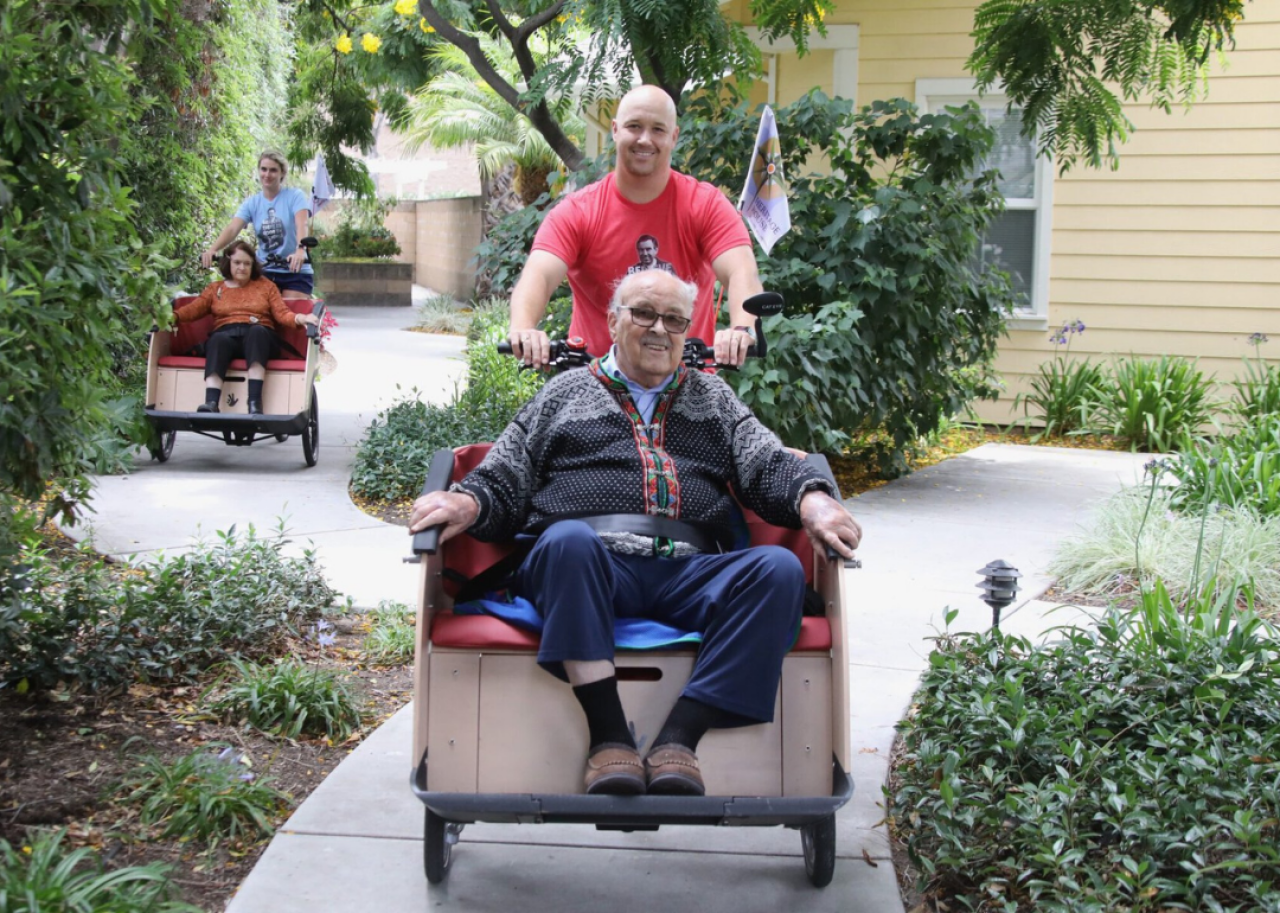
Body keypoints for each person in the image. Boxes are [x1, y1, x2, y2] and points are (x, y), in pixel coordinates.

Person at [410, 270, 862, 797]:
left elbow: (765, 462)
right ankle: (609, 740)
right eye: (643, 313)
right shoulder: (564, 394)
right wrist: (465, 501)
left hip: (689, 570)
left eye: (674, 320)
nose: (658, 330)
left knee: (779, 570)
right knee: (567, 542)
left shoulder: (714, 399)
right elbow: (506, 472)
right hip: (587, 565)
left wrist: (813, 499)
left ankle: (678, 741)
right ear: (612, 320)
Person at [509, 85, 764, 370]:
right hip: (596, 386)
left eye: (657, 129)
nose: (645, 139)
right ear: (615, 130)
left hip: (687, 384)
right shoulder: (577, 212)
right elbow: (539, 274)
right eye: (634, 126)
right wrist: (524, 329)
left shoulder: (705, 205)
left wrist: (742, 331)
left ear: (674, 136)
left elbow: (742, 272)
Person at [176, 240, 320, 415]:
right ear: (228, 263)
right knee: (217, 339)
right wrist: (171, 317)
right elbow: (193, 310)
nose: (242, 268)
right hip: (226, 336)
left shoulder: (266, 286)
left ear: (253, 265)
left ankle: (254, 402)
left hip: (260, 338)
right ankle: (211, 402)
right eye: (237, 262)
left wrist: (301, 318)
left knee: (257, 332)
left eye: (247, 263)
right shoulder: (216, 289)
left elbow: (282, 313)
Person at [201, 151, 315, 298]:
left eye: (273, 170)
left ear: (282, 173)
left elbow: (302, 224)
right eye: (264, 169)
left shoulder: (294, 196)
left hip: (295, 271)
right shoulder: (252, 203)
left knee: (289, 314)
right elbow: (232, 228)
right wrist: (212, 249)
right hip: (265, 271)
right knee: (256, 311)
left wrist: (300, 250)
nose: (267, 174)